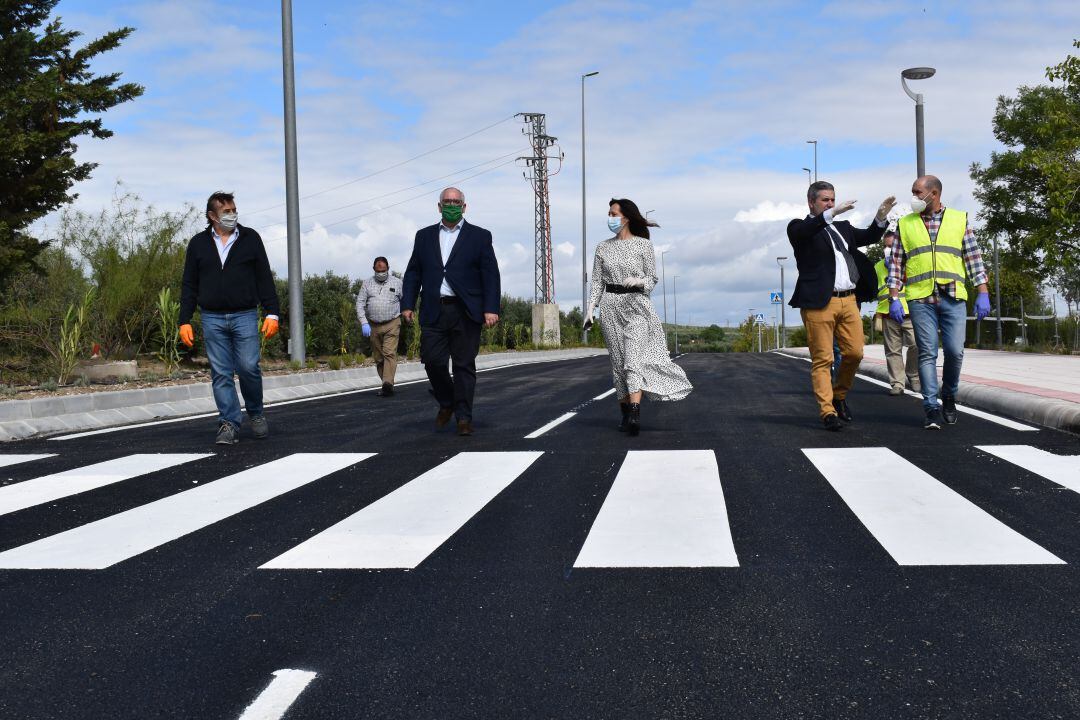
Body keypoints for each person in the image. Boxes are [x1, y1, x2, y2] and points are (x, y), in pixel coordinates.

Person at [787, 181, 896, 431]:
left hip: (849, 300)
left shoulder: (843, 228)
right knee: (823, 359)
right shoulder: (799, 228)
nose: (831, 204)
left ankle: (839, 395)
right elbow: (806, 231)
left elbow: (869, 237)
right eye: (825, 200)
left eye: (833, 200)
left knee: (855, 353)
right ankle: (827, 412)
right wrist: (829, 215)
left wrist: (880, 218)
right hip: (819, 304)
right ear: (811, 202)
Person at [887, 175, 991, 429]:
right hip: (921, 298)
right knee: (927, 353)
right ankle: (931, 407)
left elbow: (973, 258)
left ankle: (949, 394)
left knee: (955, 351)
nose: (913, 198)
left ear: (934, 194)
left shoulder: (958, 220)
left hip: (953, 295)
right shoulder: (905, 224)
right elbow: (896, 264)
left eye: (917, 192)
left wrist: (983, 291)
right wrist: (894, 297)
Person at [179, 191, 280, 445]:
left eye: (234, 210)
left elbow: (264, 278)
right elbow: (189, 284)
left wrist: (273, 313)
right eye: (226, 212)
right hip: (211, 317)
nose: (232, 215)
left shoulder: (250, 238)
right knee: (221, 373)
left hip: (244, 314)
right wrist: (184, 320)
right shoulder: (198, 244)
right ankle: (228, 423)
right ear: (212, 216)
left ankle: (256, 413)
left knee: (248, 368)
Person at [584, 198, 692, 436]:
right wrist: (591, 309)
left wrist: (639, 281)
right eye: (609, 213)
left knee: (632, 361)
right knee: (618, 364)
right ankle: (624, 413)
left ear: (627, 218)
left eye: (613, 213)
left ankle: (635, 413)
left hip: (637, 306)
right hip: (610, 307)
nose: (610, 218)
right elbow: (597, 283)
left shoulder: (643, 245)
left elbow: (652, 279)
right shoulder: (602, 247)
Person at [401, 187, 500, 436]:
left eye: (456, 202)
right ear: (439, 206)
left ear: (465, 206)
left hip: (466, 311)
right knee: (433, 362)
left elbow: (490, 275)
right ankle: (448, 401)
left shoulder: (480, 236)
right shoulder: (423, 237)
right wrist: (407, 304)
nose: (452, 205)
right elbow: (413, 272)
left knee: (463, 365)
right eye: (447, 201)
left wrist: (490, 308)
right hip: (434, 309)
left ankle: (464, 418)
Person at [873, 231, 919, 396]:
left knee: (916, 344)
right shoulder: (878, 267)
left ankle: (913, 375)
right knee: (893, 350)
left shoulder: (909, 263)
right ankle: (897, 384)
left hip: (909, 311)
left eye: (891, 246)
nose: (888, 249)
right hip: (887, 311)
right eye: (885, 246)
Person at [356, 256, 403, 397]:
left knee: (389, 352)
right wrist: (364, 322)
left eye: (383, 270)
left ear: (388, 268)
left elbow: (405, 300)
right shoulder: (366, 284)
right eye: (378, 270)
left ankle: (387, 383)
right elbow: (359, 304)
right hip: (373, 326)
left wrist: (407, 312)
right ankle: (386, 383)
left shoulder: (398, 282)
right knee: (379, 358)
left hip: (392, 323)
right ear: (374, 269)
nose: (381, 272)